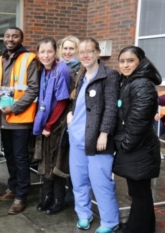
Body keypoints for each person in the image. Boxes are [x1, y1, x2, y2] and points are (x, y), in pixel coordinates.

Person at [67, 38, 119, 232]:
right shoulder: (80, 76)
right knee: (79, 181)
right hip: (76, 138)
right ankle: (84, 215)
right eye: (82, 52)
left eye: (90, 51)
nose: (85, 55)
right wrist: (71, 113)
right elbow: (78, 102)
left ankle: (109, 222)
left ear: (98, 52)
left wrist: (104, 133)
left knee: (101, 183)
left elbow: (111, 108)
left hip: (97, 140)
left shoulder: (110, 76)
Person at [0, 27, 39, 215]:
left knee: (20, 158)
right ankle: (13, 187)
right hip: (4, 117)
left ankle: (21, 196)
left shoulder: (29, 59)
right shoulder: (1, 60)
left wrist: (15, 108)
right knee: (9, 155)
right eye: (7, 36)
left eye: (15, 36)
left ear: (21, 39)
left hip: (21, 118)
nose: (10, 39)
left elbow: (33, 90)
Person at [113, 46, 162, 233]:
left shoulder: (141, 83)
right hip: (138, 146)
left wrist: (126, 144)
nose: (125, 65)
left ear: (140, 62)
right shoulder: (130, 81)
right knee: (140, 192)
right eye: (122, 61)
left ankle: (135, 229)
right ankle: (144, 226)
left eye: (130, 60)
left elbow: (138, 118)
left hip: (139, 147)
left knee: (139, 193)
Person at [33, 38, 70, 215]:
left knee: (55, 163)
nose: (46, 55)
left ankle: (58, 200)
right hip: (45, 123)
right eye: (42, 52)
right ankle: (47, 197)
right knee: (45, 162)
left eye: (49, 51)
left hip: (55, 125)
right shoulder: (43, 71)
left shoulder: (61, 69)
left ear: (55, 52)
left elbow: (62, 101)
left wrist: (48, 125)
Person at [57, 35, 81, 206]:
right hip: (58, 117)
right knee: (61, 153)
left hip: (74, 117)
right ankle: (61, 190)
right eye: (65, 48)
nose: (67, 52)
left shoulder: (82, 69)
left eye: (71, 48)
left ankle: (73, 190)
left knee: (73, 156)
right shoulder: (57, 67)